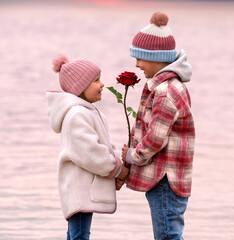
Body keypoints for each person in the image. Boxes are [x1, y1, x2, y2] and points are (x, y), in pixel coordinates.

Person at [118, 12, 195, 240]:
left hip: (165, 178)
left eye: (140, 58)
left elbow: (156, 138)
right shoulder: (169, 86)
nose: (137, 64)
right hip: (170, 177)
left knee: (167, 236)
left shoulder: (165, 92)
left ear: (157, 57)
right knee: (169, 233)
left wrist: (133, 155)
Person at [46, 55, 129, 240]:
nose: (102, 85)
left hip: (85, 188)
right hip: (79, 189)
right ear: (80, 87)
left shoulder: (88, 112)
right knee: (79, 235)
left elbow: (104, 146)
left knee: (77, 234)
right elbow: (91, 152)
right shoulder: (77, 115)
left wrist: (122, 161)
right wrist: (116, 169)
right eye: (96, 80)